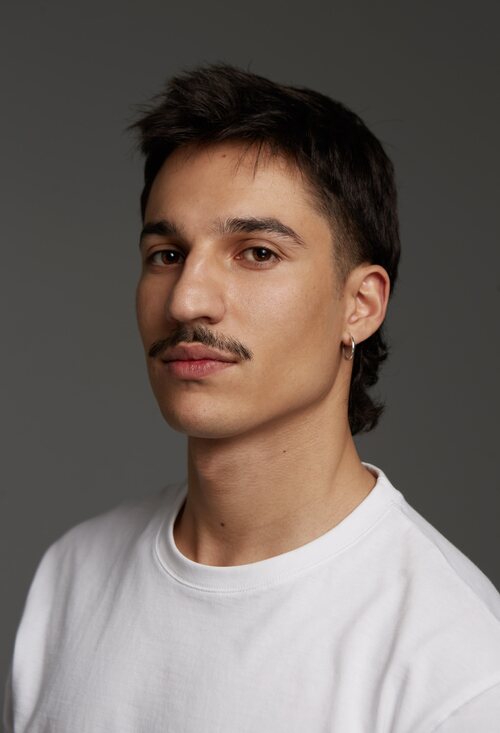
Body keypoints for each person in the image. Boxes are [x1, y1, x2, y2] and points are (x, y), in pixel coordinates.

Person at [4, 63, 500, 732]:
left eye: (257, 253)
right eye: (167, 253)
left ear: (360, 304)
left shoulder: (458, 668)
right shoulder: (72, 576)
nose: (186, 300)